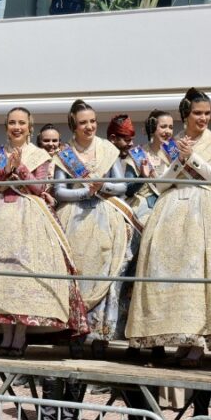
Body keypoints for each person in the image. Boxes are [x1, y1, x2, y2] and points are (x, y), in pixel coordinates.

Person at [126, 89, 211, 367]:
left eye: (207, 113)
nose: (203, 118)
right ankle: (182, 338)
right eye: (197, 113)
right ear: (186, 114)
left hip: (205, 208)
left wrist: (193, 157)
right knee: (176, 273)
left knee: (200, 272)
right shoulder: (174, 142)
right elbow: (159, 185)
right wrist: (178, 161)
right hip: (172, 209)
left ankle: (200, 341)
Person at [0, 107, 87, 355]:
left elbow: (40, 187)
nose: (16, 127)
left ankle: (21, 332)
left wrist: (21, 169)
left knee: (24, 273)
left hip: (29, 215)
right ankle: (4, 332)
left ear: (29, 126)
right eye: (12, 122)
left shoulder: (39, 155)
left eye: (21, 123)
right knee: (0, 274)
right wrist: (5, 171)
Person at [53, 102, 141, 353]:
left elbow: (122, 185)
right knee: (77, 272)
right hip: (74, 218)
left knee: (105, 271)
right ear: (74, 125)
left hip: (104, 215)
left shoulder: (107, 150)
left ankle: (101, 333)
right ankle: (76, 332)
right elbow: (59, 190)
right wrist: (84, 191)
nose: (89, 126)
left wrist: (102, 188)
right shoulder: (65, 154)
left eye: (92, 121)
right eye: (83, 122)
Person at [128, 110, 175, 222]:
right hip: (146, 209)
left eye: (171, 127)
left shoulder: (176, 152)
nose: (168, 131)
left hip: (171, 207)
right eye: (163, 127)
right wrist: (142, 177)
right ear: (152, 128)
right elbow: (128, 190)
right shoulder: (138, 154)